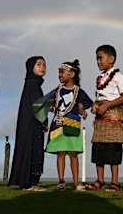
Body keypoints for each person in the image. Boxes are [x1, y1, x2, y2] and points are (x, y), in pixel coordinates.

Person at [37, 60, 93, 191]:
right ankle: (61, 181)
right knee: (60, 153)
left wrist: (82, 109)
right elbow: (50, 105)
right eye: (59, 73)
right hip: (58, 124)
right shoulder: (57, 91)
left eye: (62, 72)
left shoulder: (79, 92)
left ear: (71, 74)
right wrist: (50, 107)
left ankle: (76, 183)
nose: (59, 75)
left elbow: (83, 104)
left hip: (72, 125)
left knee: (73, 153)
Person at [85, 45, 123, 192]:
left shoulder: (118, 77)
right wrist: (95, 104)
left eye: (100, 58)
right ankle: (100, 180)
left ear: (111, 59)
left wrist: (107, 105)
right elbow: (99, 97)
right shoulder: (100, 78)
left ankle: (115, 182)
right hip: (100, 120)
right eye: (96, 59)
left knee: (113, 149)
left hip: (114, 118)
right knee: (98, 148)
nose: (98, 61)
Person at [8, 56, 48, 191]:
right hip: (31, 124)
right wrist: (45, 120)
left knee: (30, 148)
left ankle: (28, 182)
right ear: (31, 67)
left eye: (44, 65)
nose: (42, 67)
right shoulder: (33, 84)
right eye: (39, 64)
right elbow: (38, 106)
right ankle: (28, 183)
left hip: (30, 123)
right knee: (32, 149)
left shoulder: (32, 83)